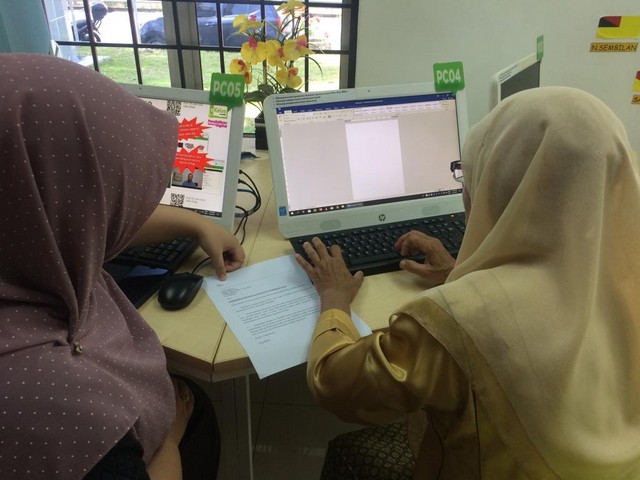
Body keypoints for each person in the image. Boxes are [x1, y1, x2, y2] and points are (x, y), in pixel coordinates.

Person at [297, 86, 640, 479]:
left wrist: (334, 299)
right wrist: (464, 271)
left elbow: (335, 385)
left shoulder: (459, 322)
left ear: (503, 180)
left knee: (349, 451)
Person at [0, 53, 245, 479]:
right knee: (197, 407)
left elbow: (84, 220)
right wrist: (169, 438)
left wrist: (195, 223)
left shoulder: (22, 234)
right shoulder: (59, 415)